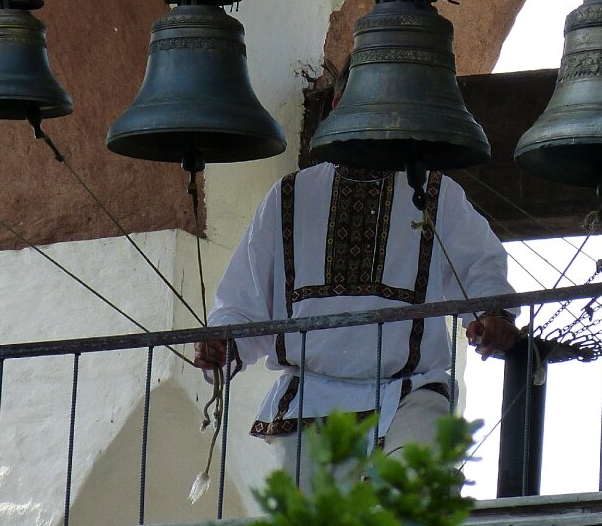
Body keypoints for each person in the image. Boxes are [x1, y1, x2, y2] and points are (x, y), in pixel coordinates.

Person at [194, 68, 519, 484]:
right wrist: (224, 343)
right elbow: (242, 302)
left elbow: (481, 266)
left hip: (411, 394)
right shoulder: (289, 197)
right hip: (310, 401)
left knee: (408, 500)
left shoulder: (436, 194)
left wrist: (495, 315)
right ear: (336, 106)